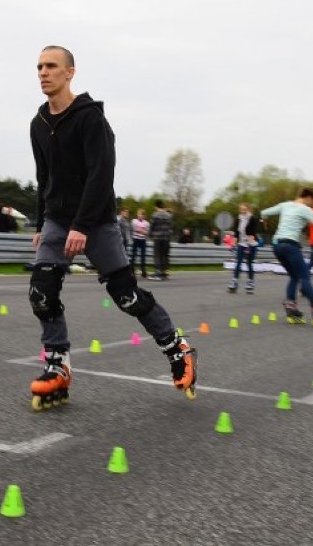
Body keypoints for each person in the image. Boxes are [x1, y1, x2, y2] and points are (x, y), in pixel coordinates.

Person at [27, 44, 196, 411]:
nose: (43, 72)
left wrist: (83, 225)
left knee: (127, 296)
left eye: (51, 66)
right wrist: (42, 223)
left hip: (97, 221)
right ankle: (58, 364)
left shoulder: (91, 119)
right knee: (41, 292)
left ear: (70, 72)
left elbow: (101, 175)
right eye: (39, 66)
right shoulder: (38, 125)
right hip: (57, 221)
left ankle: (175, 347)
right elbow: (44, 178)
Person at [260, 187, 313, 325]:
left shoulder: (285, 205)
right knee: (304, 276)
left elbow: (264, 212)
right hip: (290, 246)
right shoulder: (306, 209)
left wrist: (263, 221)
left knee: (294, 276)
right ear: (308, 198)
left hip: (277, 247)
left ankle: (291, 306)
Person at [228, 202, 259, 294]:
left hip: (251, 243)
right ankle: (234, 281)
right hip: (241, 244)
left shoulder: (252, 219)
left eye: (245, 209)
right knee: (238, 263)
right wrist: (233, 245)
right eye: (241, 209)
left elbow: (252, 233)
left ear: (248, 209)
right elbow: (236, 233)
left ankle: (250, 282)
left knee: (249, 264)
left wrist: (249, 247)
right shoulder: (238, 219)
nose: (243, 211)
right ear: (240, 210)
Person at [148, 199, 173, 280]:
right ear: (162, 205)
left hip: (158, 237)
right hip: (166, 238)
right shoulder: (169, 215)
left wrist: (150, 235)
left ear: (156, 206)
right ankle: (164, 272)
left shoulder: (154, 215)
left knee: (157, 255)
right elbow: (170, 227)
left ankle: (158, 273)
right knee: (164, 255)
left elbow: (152, 226)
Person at [130, 208, 150, 278]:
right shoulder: (134, 221)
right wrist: (142, 231)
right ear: (137, 214)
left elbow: (147, 233)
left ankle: (143, 272)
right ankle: (132, 270)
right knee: (133, 256)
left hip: (143, 240)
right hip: (136, 239)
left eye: (142, 214)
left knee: (143, 256)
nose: (140, 215)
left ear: (144, 216)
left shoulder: (147, 223)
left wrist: (141, 231)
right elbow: (134, 229)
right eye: (139, 214)